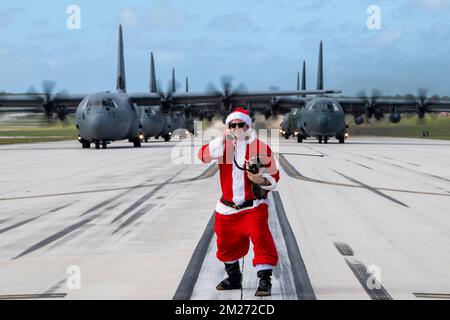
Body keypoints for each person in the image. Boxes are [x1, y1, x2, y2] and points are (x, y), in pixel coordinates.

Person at [197, 108, 280, 296]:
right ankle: (234, 278)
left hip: (253, 207)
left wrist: (261, 180)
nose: (236, 128)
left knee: (261, 239)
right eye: (232, 125)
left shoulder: (260, 147)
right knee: (225, 243)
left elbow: (275, 175)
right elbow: (202, 156)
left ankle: (264, 280)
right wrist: (221, 140)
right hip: (227, 208)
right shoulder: (222, 147)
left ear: (247, 126)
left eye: (240, 125)